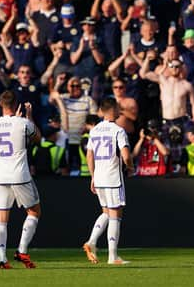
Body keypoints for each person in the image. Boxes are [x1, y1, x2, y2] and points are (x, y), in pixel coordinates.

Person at [0, 91, 41, 269]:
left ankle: (2, 259)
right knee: (34, 212)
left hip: (0, 176)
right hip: (20, 175)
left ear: (0, 104)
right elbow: (37, 138)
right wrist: (29, 116)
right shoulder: (24, 123)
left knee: (1, 219)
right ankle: (22, 249)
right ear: (16, 103)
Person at [82, 97, 133, 265]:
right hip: (113, 178)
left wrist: (93, 176)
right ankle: (113, 256)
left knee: (106, 213)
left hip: (100, 178)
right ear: (113, 109)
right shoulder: (118, 130)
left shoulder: (95, 130)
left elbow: (89, 155)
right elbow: (125, 155)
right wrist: (130, 167)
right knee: (115, 215)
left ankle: (91, 242)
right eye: (118, 107)